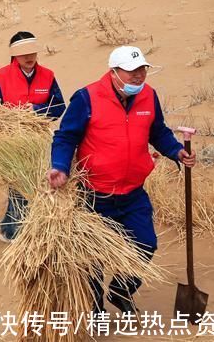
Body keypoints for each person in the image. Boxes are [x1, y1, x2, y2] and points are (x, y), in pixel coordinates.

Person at [48, 46, 196, 316]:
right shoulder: (87, 97)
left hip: (132, 193)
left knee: (145, 243)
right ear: (114, 72)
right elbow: (66, 136)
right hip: (94, 194)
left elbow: (158, 132)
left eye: (142, 70)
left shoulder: (148, 96)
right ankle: (94, 309)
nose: (139, 77)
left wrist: (176, 151)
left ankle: (121, 290)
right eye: (132, 72)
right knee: (92, 257)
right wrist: (60, 167)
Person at [0, 31, 65, 242]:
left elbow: (59, 105)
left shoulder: (48, 75)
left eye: (32, 53)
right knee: (20, 182)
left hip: (38, 138)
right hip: (11, 141)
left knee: (37, 181)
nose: (29, 58)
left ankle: (12, 227)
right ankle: (16, 229)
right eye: (23, 54)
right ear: (14, 55)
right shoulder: (0, 77)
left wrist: (36, 110)